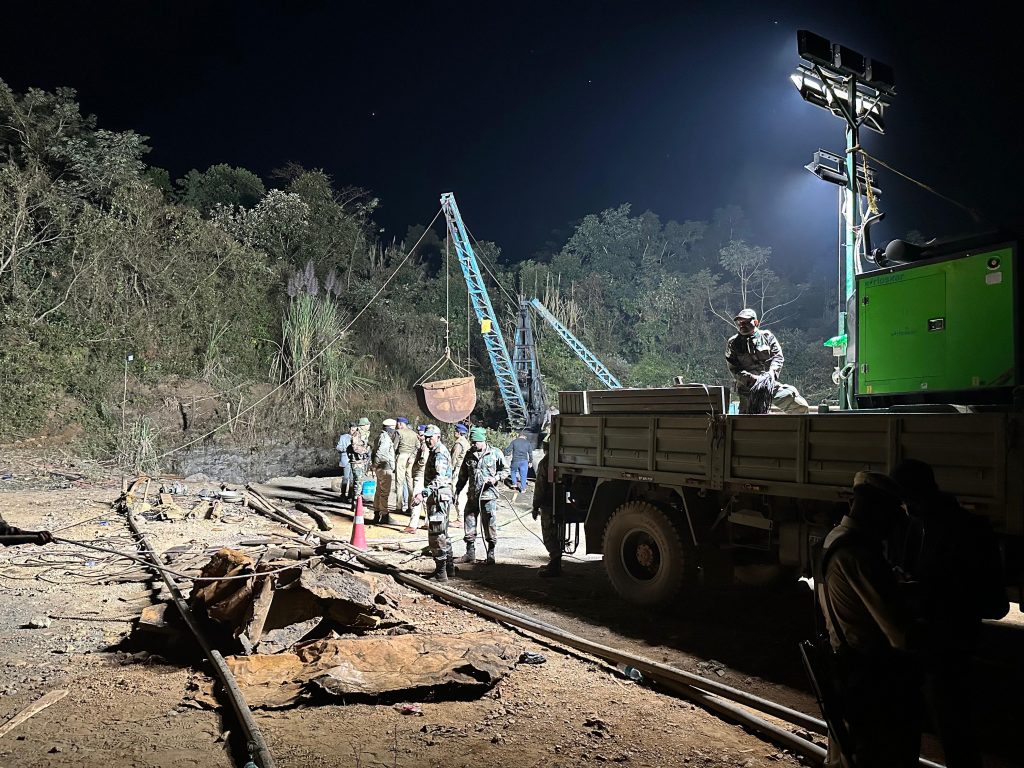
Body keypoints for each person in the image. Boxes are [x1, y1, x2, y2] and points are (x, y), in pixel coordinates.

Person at [891, 459, 1006, 768]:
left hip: (947, 644)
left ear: (915, 494)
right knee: (948, 723)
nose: (904, 505)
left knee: (952, 722)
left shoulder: (960, 530)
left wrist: (928, 593)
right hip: (934, 642)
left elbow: (994, 603)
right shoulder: (921, 525)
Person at [817, 470, 922, 768]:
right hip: (870, 679)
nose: (891, 527)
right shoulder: (860, 555)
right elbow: (901, 637)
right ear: (876, 511)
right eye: (891, 516)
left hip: (845, 668)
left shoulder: (834, 538)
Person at [725, 308, 809, 415]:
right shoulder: (733, 343)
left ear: (755, 322)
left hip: (768, 385)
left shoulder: (767, 337)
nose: (742, 325)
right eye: (740, 322)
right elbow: (734, 368)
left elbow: (778, 357)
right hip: (748, 390)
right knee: (747, 424)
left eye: (746, 322)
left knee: (800, 407)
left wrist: (770, 374)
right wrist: (751, 379)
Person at [455, 426, 509, 565]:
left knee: (489, 524)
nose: (473, 445)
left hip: (488, 496)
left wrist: (495, 478)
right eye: (472, 442)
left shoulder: (495, 453)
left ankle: (491, 554)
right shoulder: (469, 454)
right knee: (469, 522)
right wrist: (457, 490)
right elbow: (463, 475)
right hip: (473, 496)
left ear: (482, 440)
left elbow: (506, 470)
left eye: (475, 442)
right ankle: (470, 553)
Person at [414, 424, 455, 581]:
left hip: (439, 497)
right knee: (444, 533)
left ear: (438, 436)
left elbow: (440, 478)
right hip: (439, 497)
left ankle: (441, 572)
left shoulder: (439, 453)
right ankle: (449, 568)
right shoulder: (434, 451)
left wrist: (423, 494)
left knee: (436, 534)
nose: (428, 440)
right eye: (426, 437)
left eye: (430, 437)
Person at [531, 436, 561, 576]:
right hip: (561, 502)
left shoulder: (545, 463)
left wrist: (535, 506)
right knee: (558, 533)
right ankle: (556, 561)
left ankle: (555, 563)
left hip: (548, 504)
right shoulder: (561, 459)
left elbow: (540, 486)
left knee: (549, 533)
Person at [404, 425, 431, 533]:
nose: (419, 437)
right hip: (424, 474)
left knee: (416, 498)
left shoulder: (424, 446)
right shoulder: (424, 444)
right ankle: (428, 522)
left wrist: (417, 466)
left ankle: (412, 525)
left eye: (421, 435)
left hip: (420, 474)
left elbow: (423, 460)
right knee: (425, 499)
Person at [372, 418, 399, 524]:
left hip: (380, 468)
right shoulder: (386, 439)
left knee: (378, 491)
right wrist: (376, 464)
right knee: (384, 493)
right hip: (384, 467)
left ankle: (376, 513)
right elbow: (380, 453)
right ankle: (384, 515)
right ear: (390, 429)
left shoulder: (379, 437)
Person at [393, 416, 418, 514]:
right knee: (410, 483)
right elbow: (417, 446)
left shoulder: (398, 432)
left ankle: (399, 506)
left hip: (401, 457)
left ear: (399, 424)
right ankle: (410, 507)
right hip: (411, 458)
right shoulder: (414, 434)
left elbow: (394, 447)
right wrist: (412, 456)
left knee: (399, 483)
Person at [449, 423, 471, 528]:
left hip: (458, 470)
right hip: (465, 470)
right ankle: (461, 517)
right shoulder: (466, 443)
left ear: (458, 432)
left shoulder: (459, 443)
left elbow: (454, 458)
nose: (454, 433)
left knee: (457, 493)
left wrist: (450, 471)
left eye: (455, 431)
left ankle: (460, 518)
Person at [348, 416, 372, 503]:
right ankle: (356, 503)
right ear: (363, 425)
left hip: (362, 461)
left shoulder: (364, 434)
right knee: (358, 482)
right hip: (357, 462)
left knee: (359, 481)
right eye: (367, 424)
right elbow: (355, 447)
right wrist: (366, 450)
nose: (369, 425)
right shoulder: (357, 434)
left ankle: (356, 501)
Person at [505, 431, 532, 495]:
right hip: (524, 461)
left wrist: (504, 454)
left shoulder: (514, 441)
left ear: (519, 435)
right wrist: (530, 461)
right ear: (524, 436)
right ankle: (523, 489)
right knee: (523, 475)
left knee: (513, 471)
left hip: (515, 460)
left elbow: (508, 450)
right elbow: (530, 453)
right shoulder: (527, 443)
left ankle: (514, 483)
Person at [335, 421, 356, 500]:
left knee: (352, 478)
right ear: (349, 429)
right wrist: (345, 449)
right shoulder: (343, 437)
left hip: (354, 460)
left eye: (355, 429)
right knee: (346, 477)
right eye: (352, 429)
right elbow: (338, 447)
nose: (353, 431)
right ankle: (343, 494)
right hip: (346, 459)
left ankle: (350, 495)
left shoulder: (358, 437)